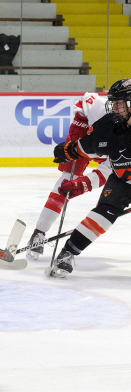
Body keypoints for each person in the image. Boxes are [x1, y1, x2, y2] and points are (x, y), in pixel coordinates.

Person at [48, 78, 131, 278]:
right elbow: (87, 145)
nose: (115, 107)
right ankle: (67, 253)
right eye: (114, 102)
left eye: (120, 102)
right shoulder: (108, 126)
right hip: (122, 180)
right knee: (103, 213)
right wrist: (68, 150)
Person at [27, 92, 107, 260]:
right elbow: (88, 103)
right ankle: (39, 232)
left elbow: (110, 172)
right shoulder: (99, 108)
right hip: (87, 130)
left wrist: (86, 184)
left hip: (114, 143)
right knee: (67, 180)